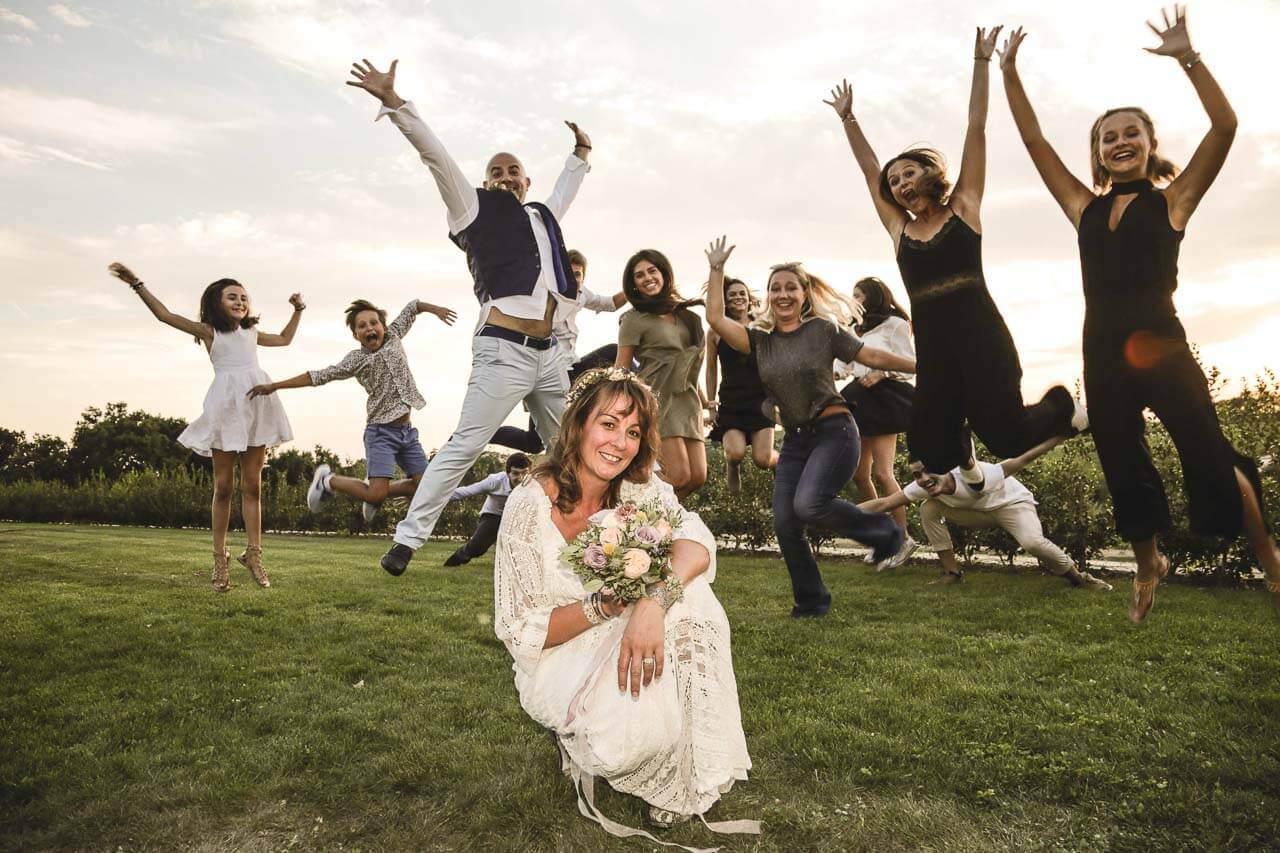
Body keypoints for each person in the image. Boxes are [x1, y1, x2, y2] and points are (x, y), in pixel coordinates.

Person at [999, 8, 1280, 620]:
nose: (1120, 141)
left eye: (1132, 133)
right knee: (1122, 460)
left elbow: (1225, 127)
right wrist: (1009, 72)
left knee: (1208, 451)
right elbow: (1033, 142)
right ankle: (1149, 562)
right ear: (1098, 155)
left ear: (1150, 147)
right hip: (1101, 350)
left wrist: (1187, 56)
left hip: (1163, 343)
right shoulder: (1084, 208)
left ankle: (1267, 555)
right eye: (1108, 137)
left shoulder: (1172, 201)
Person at [347, 58, 592, 576]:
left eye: (513, 171)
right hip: (502, 350)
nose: (504, 177)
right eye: (495, 172)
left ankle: (591, 540)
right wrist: (396, 104)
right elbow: (436, 157)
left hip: (550, 358)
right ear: (486, 182)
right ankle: (407, 541)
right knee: (464, 444)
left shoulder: (541, 216)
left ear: (526, 181)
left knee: (569, 449)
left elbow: (564, 194)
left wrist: (581, 155)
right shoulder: (474, 209)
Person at [493, 367, 757, 841]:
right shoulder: (529, 505)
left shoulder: (642, 489)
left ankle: (682, 780)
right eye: (609, 423)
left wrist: (652, 604)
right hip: (560, 652)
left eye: (634, 431)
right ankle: (581, 729)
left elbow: (696, 544)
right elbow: (519, 629)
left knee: (692, 597)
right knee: (623, 745)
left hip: (639, 626)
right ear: (577, 424)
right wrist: (606, 606)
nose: (621, 442)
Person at [823, 26, 1086, 482]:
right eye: (896, 182)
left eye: (909, 172)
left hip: (982, 336)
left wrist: (981, 64)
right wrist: (849, 120)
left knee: (1007, 438)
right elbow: (870, 172)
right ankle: (960, 432)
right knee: (931, 454)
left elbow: (976, 127)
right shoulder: (900, 229)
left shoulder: (964, 207)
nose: (902, 183)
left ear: (930, 172)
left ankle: (1062, 405)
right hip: (937, 348)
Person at [703, 238, 918, 617]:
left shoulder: (822, 329)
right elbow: (716, 320)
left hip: (834, 431)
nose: (782, 294)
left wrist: (920, 366)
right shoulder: (759, 341)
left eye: (790, 287)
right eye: (775, 288)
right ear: (767, 297)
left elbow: (869, 355)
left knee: (809, 504)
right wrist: (717, 270)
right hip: (797, 440)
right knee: (786, 523)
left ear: (804, 293)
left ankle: (887, 534)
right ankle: (811, 602)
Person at [108, 261, 301, 591]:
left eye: (243, 297)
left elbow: (284, 339)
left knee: (252, 487)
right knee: (223, 486)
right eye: (232, 297)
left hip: (256, 406)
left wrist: (298, 310)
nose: (240, 302)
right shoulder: (211, 332)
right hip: (225, 408)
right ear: (217, 303)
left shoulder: (252, 334)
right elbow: (165, 316)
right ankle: (219, 558)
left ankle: (254, 554)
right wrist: (136, 283)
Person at [247, 297, 456, 523]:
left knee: (427, 487)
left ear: (383, 327)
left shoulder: (394, 336)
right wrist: (274, 386)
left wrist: (436, 310)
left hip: (407, 432)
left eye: (374, 323)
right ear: (356, 335)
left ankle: (378, 492)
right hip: (381, 433)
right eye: (362, 326)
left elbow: (413, 307)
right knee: (377, 493)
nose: (369, 328)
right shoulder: (356, 359)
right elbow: (318, 376)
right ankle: (328, 480)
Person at [860, 436, 1113, 590]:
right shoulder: (924, 486)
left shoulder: (978, 475)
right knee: (929, 509)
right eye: (917, 474)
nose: (923, 479)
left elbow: (1023, 459)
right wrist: (830, 510)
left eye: (928, 471)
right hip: (975, 512)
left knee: (1032, 542)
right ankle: (952, 574)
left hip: (1011, 505)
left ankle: (1079, 578)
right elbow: (883, 504)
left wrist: (1058, 437)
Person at [491, 249, 626, 453]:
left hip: (571, 368)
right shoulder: (544, 295)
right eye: (567, 273)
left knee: (613, 351)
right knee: (533, 444)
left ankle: (628, 398)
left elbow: (610, 304)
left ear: (583, 277)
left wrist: (634, 289)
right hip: (546, 370)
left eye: (578, 274)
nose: (573, 279)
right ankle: (488, 433)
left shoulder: (582, 294)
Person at [615, 250, 708, 499]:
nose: (647, 277)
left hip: (688, 401)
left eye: (652, 270)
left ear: (664, 273)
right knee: (678, 475)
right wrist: (621, 409)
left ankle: (659, 528)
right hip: (656, 398)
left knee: (697, 477)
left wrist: (706, 401)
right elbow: (621, 369)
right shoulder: (633, 319)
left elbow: (688, 364)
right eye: (639, 275)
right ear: (633, 284)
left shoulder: (687, 316)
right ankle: (625, 499)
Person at [836, 277, 917, 560]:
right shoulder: (851, 328)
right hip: (858, 397)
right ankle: (884, 537)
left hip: (885, 398)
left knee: (883, 474)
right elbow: (842, 365)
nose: (854, 300)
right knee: (859, 475)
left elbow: (910, 365)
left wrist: (882, 372)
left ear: (872, 296)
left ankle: (904, 539)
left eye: (858, 295)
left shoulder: (895, 324)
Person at [706, 276, 776, 495]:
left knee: (763, 459)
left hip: (761, 400)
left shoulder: (764, 326)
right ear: (725, 301)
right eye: (732, 294)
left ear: (749, 299)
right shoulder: (716, 331)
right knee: (734, 453)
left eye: (741, 294)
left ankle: (780, 464)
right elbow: (710, 369)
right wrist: (710, 404)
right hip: (731, 399)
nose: (738, 297)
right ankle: (733, 477)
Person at [442, 452, 531, 567]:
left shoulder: (533, 484)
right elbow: (466, 491)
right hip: (493, 515)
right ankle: (457, 558)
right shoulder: (495, 481)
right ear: (508, 473)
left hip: (517, 516)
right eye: (515, 473)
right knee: (478, 547)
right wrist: (437, 498)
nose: (520, 478)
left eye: (524, 473)